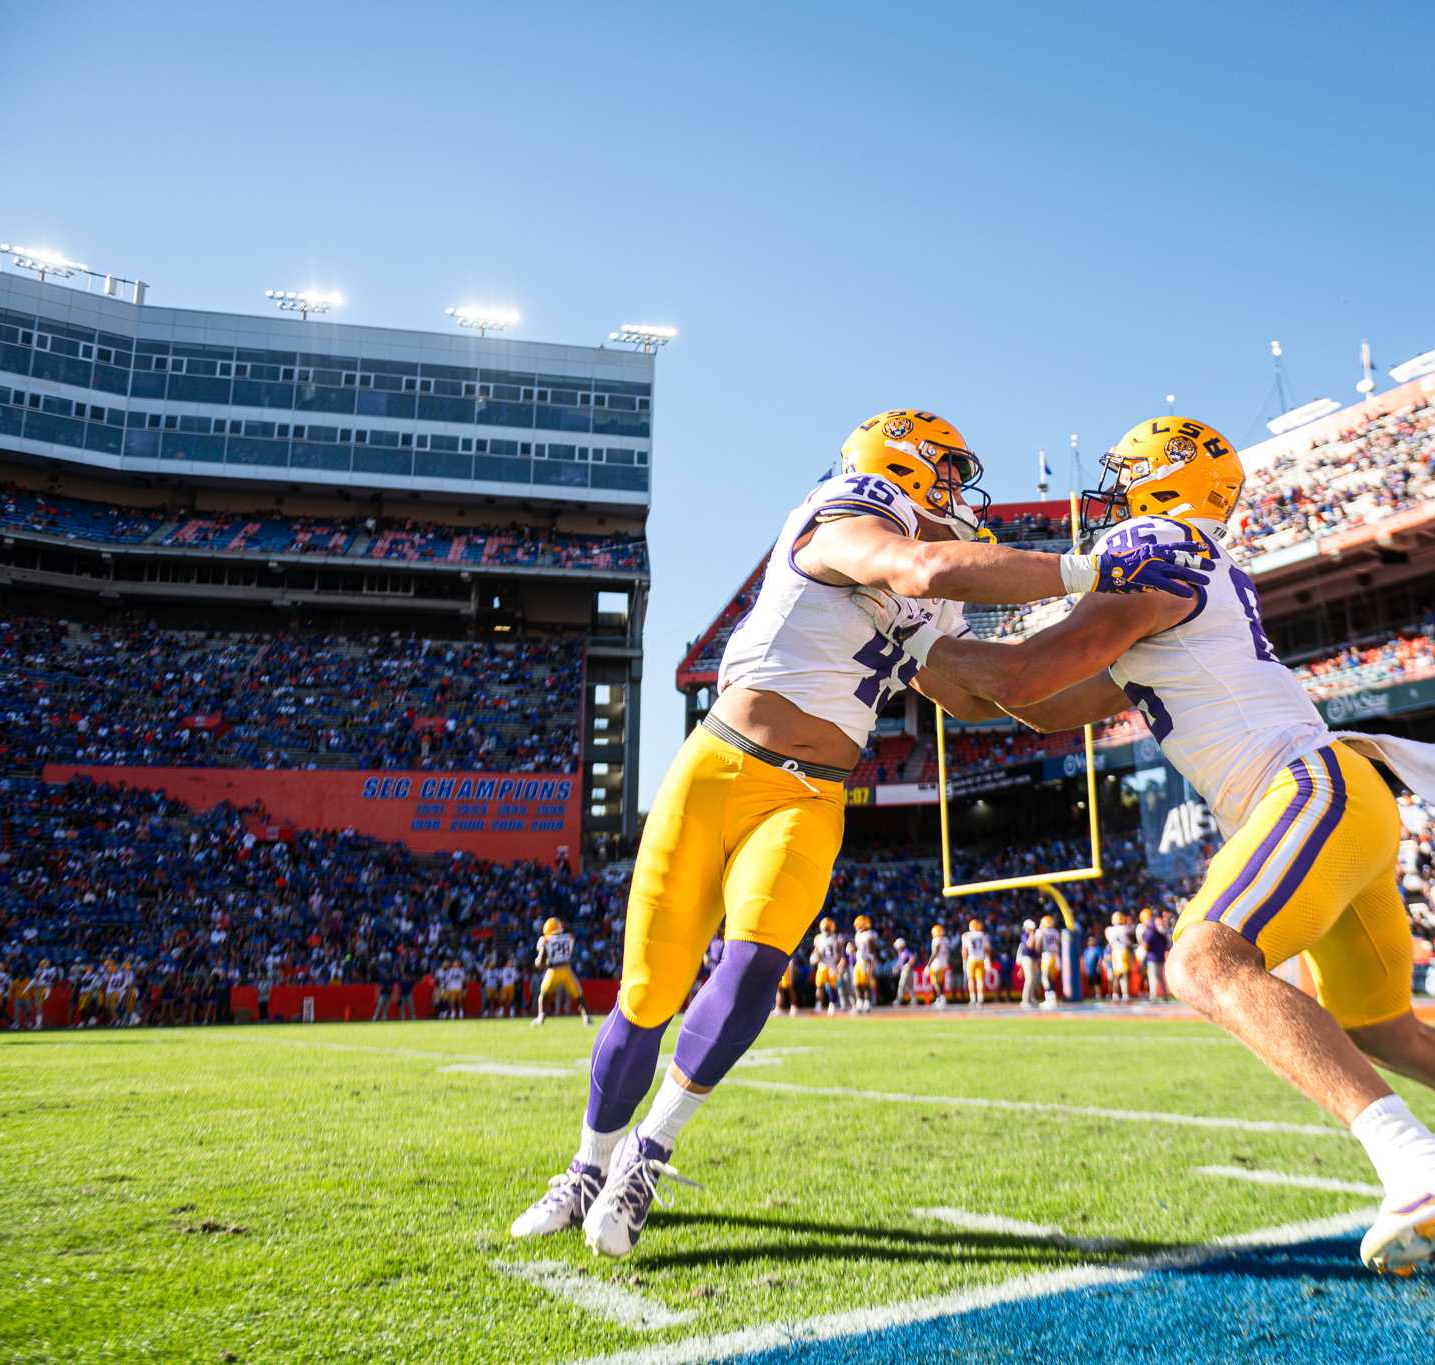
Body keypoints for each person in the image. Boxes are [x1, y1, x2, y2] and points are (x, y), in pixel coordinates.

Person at [862, 414, 1435, 1276]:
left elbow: (1021, 676)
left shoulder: (1159, 543)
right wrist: (915, 650)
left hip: (1307, 786)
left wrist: (913, 625)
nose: (1110, 498)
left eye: (1127, 478)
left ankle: (1423, 1164)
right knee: (1384, 1027)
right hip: (1342, 797)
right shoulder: (1164, 583)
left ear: (1166, 485)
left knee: (1203, 962)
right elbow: (1028, 705)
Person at [507, 408, 1204, 1259]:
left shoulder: (932, 589)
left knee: (753, 967)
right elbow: (912, 565)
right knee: (648, 993)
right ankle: (586, 1165)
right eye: (947, 472)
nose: (960, 493)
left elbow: (999, 690)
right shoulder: (840, 516)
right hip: (719, 771)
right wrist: (1089, 566)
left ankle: (648, 1152)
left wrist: (1141, 681)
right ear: (901, 465)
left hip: (810, 798)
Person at [532, 918, 590, 1027]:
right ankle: (586, 1016)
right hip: (566, 970)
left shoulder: (545, 940)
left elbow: (540, 962)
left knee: (543, 994)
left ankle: (541, 1017)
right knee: (579, 994)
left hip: (553, 971)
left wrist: (538, 962)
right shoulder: (569, 937)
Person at [850, 915, 879, 1014]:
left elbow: (872, 950)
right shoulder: (858, 935)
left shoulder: (870, 934)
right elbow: (858, 948)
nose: (856, 926)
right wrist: (852, 949)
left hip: (867, 961)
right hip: (859, 961)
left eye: (858, 924)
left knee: (866, 984)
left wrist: (871, 963)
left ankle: (867, 1004)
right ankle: (859, 1003)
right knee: (857, 984)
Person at [960, 918, 992, 1009]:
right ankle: (980, 999)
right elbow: (987, 950)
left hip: (971, 960)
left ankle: (973, 999)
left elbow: (964, 950)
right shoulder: (983, 935)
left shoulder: (966, 935)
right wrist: (988, 960)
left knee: (971, 980)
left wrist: (964, 961)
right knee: (980, 980)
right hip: (981, 959)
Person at [1104, 911, 1135, 1003]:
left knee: (1116, 976)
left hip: (1115, 952)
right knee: (1124, 975)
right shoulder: (1125, 928)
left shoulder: (1109, 930)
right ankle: (1125, 996)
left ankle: (1115, 995)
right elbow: (1129, 940)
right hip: (1123, 952)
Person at [926, 924, 953, 1010]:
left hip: (937, 963)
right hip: (944, 962)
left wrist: (928, 964)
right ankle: (939, 999)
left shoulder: (936, 940)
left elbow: (934, 953)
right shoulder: (946, 940)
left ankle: (941, 998)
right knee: (941, 982)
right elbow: (948, 952)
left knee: (935, 982)